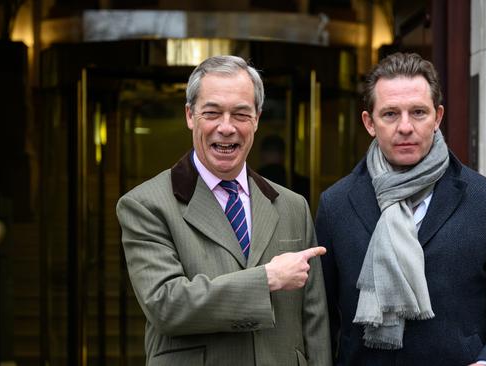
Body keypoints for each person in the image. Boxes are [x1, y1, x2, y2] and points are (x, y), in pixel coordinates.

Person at [315, 52, 486, 366]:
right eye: (391, 114)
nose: (405, 126)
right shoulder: (336, 204)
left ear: (437, 118)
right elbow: (321, 316)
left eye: (418, 112)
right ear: (369, 122)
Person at [116, 55, 331, 366]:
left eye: (241, 114)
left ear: (257, 118)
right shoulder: (146, 205)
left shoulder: (292, 206)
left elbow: (315, 321)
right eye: (212, 113)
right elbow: (166, 305)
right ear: (190, 115)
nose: (226, 128)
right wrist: (266, 279)